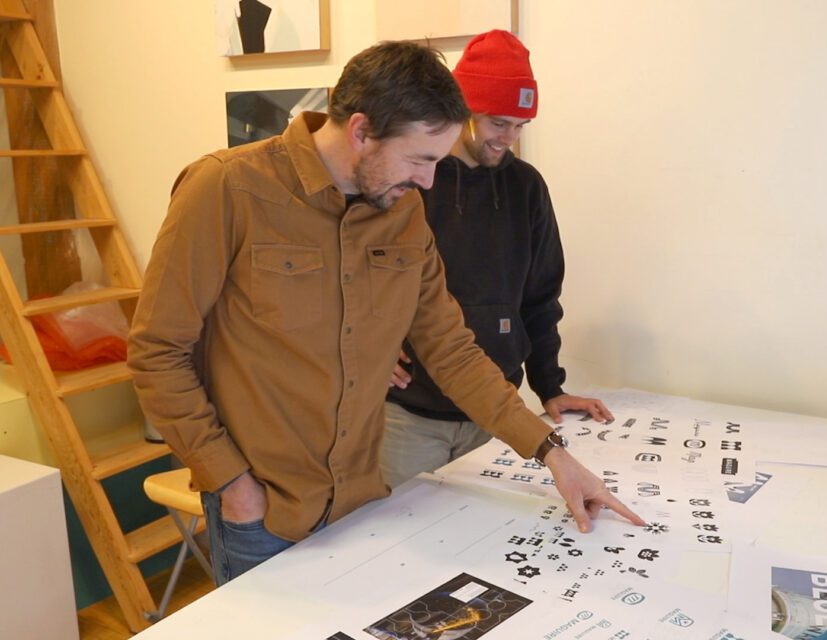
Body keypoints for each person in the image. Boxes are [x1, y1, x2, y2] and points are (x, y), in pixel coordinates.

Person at [127, 40, 642, 586]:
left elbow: (452, 351)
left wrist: (552, 455)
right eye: (420, 160)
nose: (429, 181)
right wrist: (232, 484)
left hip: (362, 498)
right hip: (263, 510)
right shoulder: (226, 186)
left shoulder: (403, 210)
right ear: (361, 131)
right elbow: (158, 352)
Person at [381, 30, 613, 488]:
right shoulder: (413, 179)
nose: (509, 138)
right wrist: (372, 348)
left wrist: (550, 387)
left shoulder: (526, 187)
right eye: (498, 123)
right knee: (392, 528)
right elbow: (361, 278)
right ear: (463, 110)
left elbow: (541, 296)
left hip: (494, 415)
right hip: (407, 417)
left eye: (521, 126)